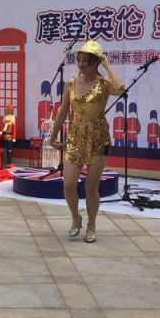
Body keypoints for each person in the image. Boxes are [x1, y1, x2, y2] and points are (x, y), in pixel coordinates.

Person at [49, 40, 125, 243]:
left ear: (96, 62)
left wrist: (107, 65)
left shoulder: (104, 83)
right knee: (69, 184)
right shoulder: (71, 83)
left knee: (91, 187)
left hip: (98, 139)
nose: (81, 65)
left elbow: (120, 89)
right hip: (75, 138)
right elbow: (62, 112)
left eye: (86, 61)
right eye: (79, 60)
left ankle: (92, 225)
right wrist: (53, 137)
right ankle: (76, 218)